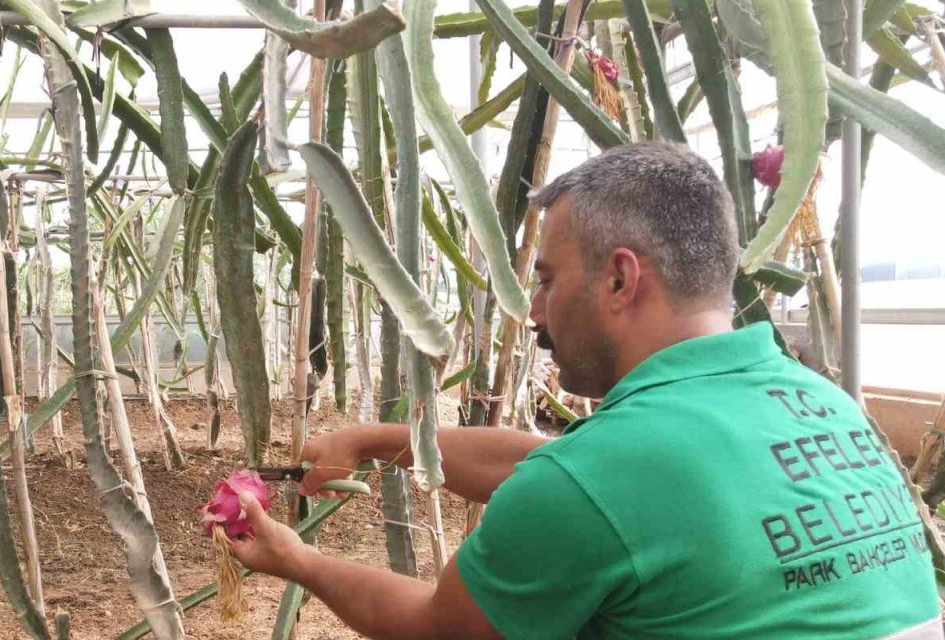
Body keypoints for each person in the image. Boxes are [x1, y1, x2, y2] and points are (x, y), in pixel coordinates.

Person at [228, 142, 943, 639]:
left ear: (620, 279)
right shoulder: (817, 400)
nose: (533, 309)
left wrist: (299, 560)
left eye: (544, 280)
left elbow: (434, 629)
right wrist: (374, 441)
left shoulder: (600, 481)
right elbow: (563, 474)